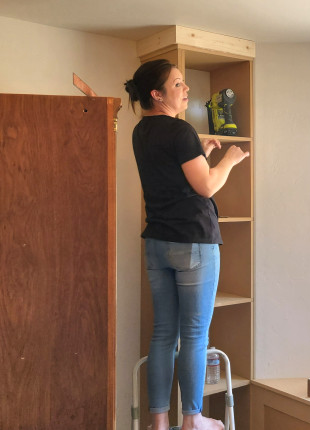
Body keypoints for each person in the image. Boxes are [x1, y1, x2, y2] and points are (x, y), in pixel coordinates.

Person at [124, 59, 249, 430]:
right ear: (157, 94)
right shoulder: (180, 132)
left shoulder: (140, 132)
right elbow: (207, 187)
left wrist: (202, 154)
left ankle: (159, 421)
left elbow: (173, 177)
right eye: (179, 84)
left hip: (157, 242)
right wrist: (228, 159)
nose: (186, 89)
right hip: (193, 242)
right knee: (194, 334)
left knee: (164, 332)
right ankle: (193, 419)